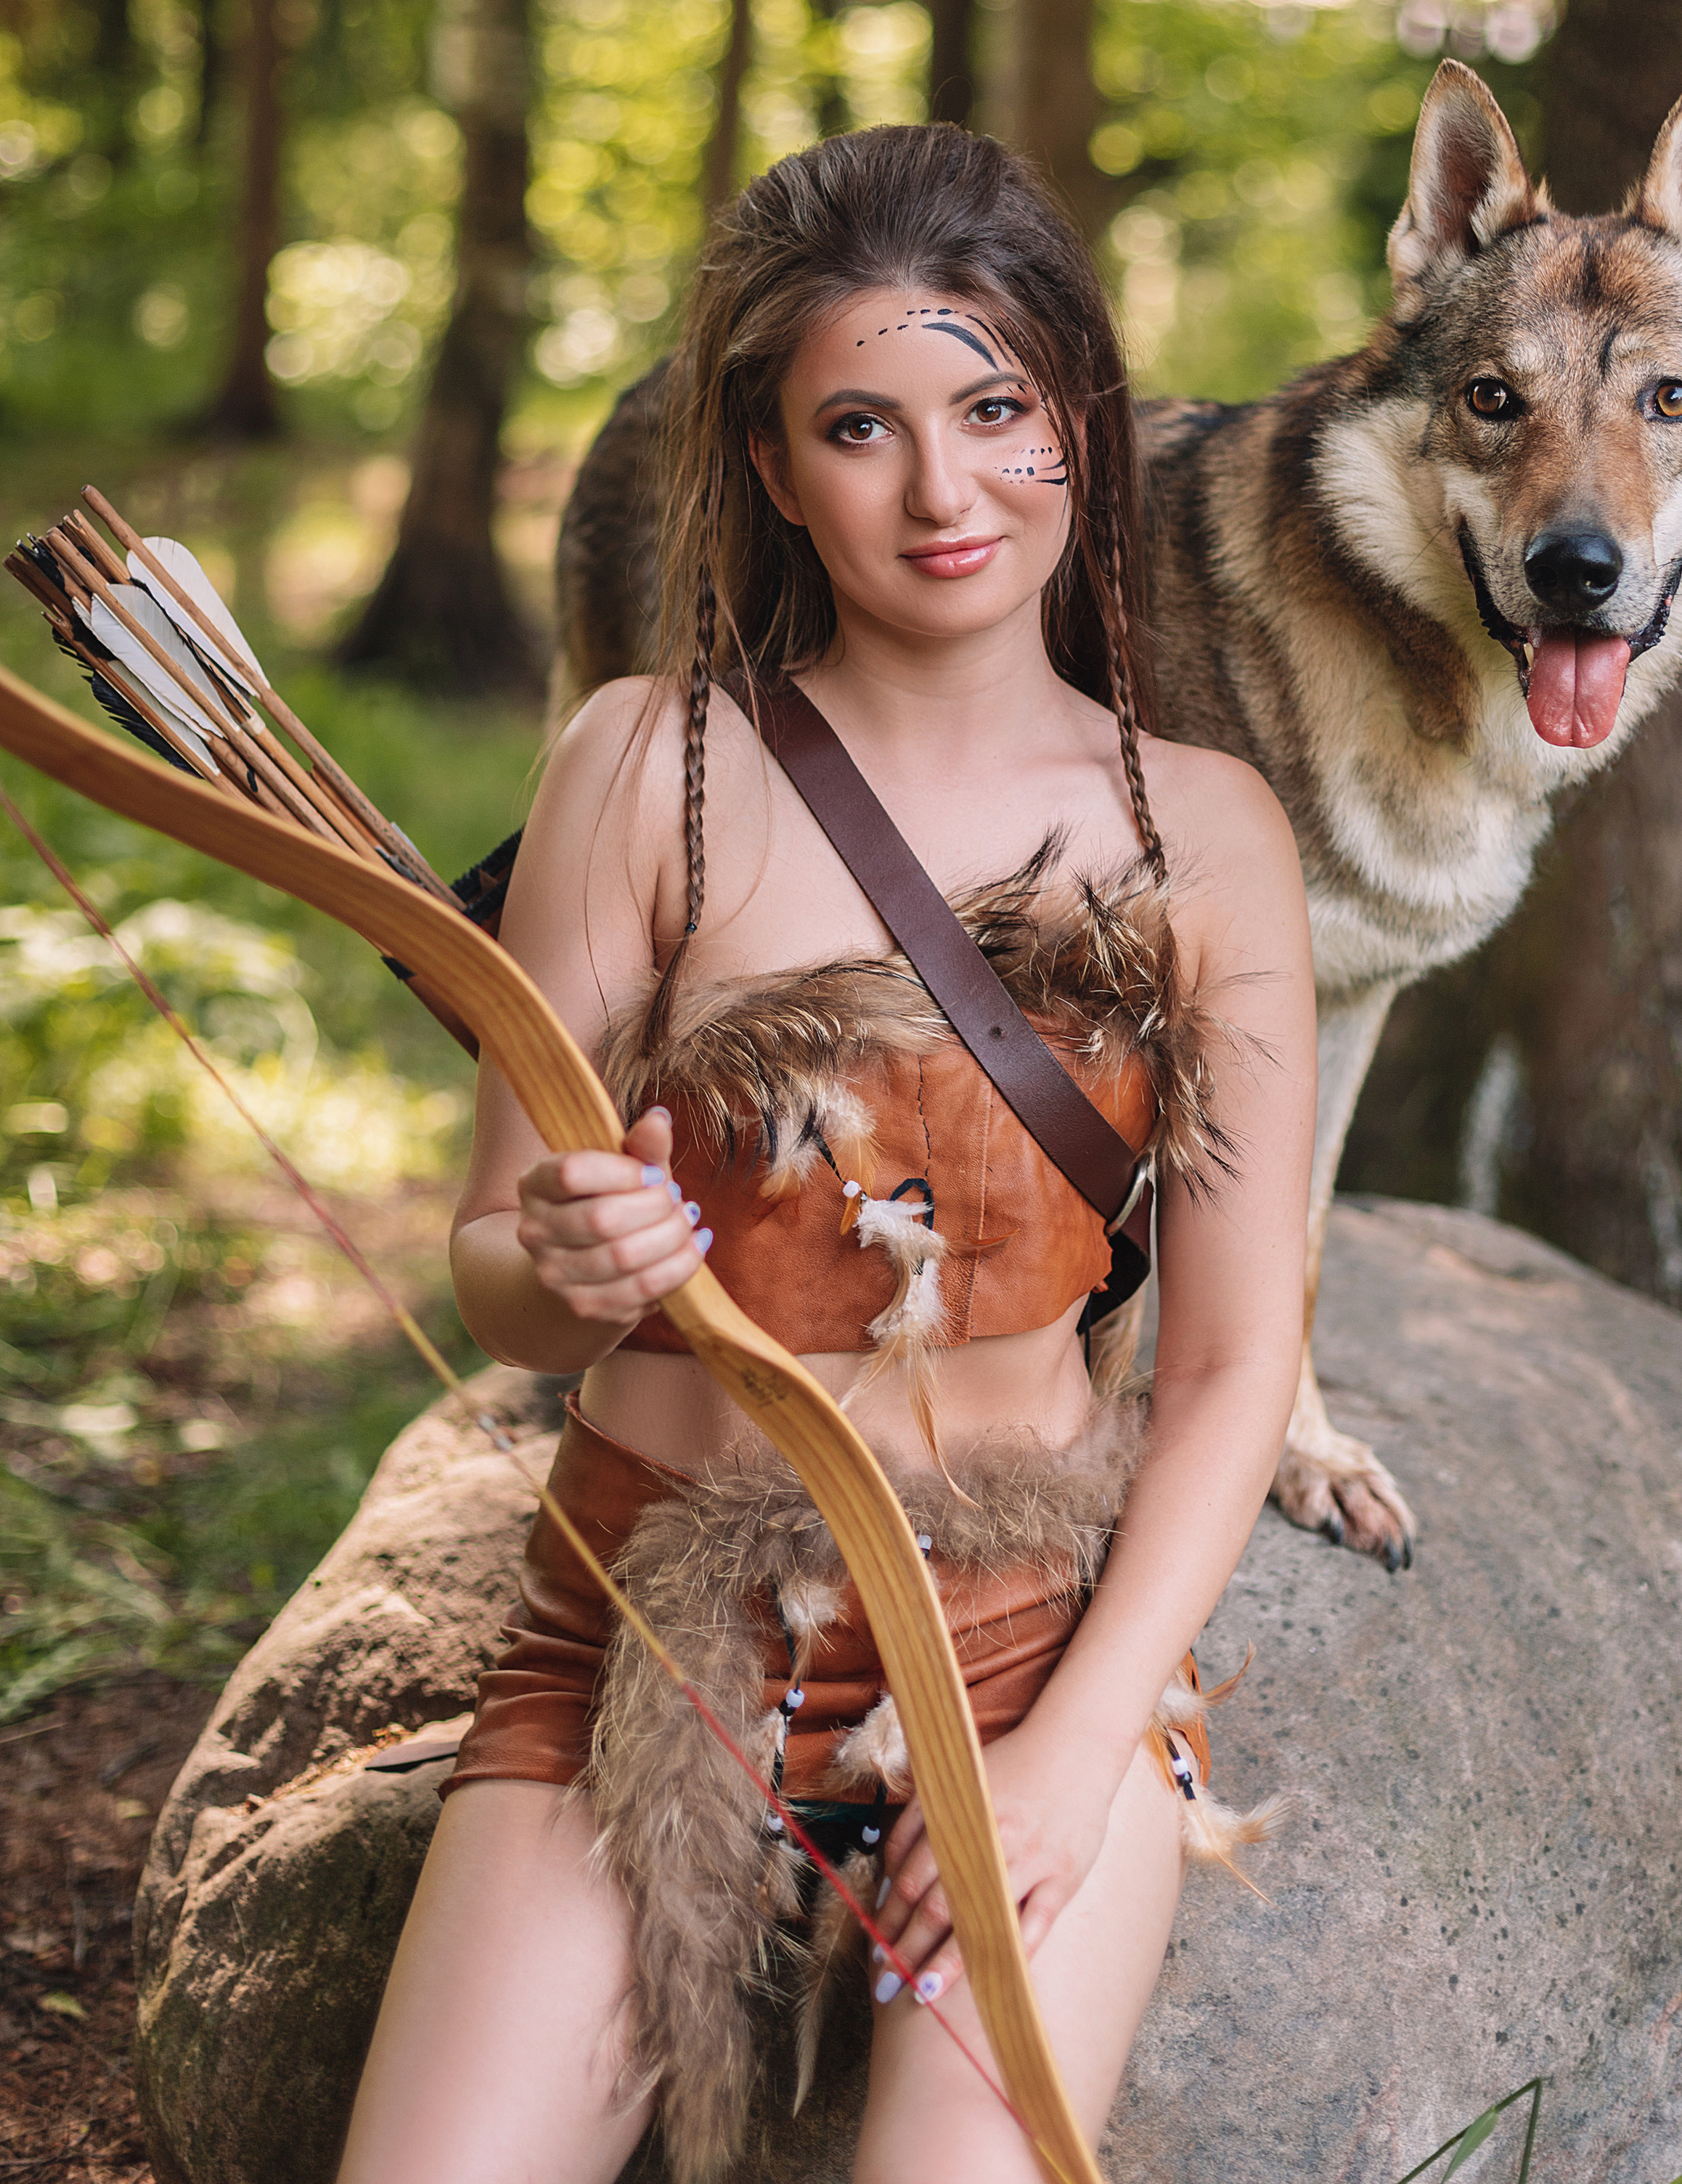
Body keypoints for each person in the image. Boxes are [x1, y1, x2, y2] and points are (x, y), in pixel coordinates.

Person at [336, 123, 1313, 2184]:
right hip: (642, 1619)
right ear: (774, 470)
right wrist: (560, 1256)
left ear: (1081, 420)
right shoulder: (645, 761)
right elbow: (499, 1281)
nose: (944, 491)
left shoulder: (1209, 830)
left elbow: (1234, 1363)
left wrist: (1070, 1756)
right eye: (861, 428)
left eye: (996, 411)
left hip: (1017, 1638)